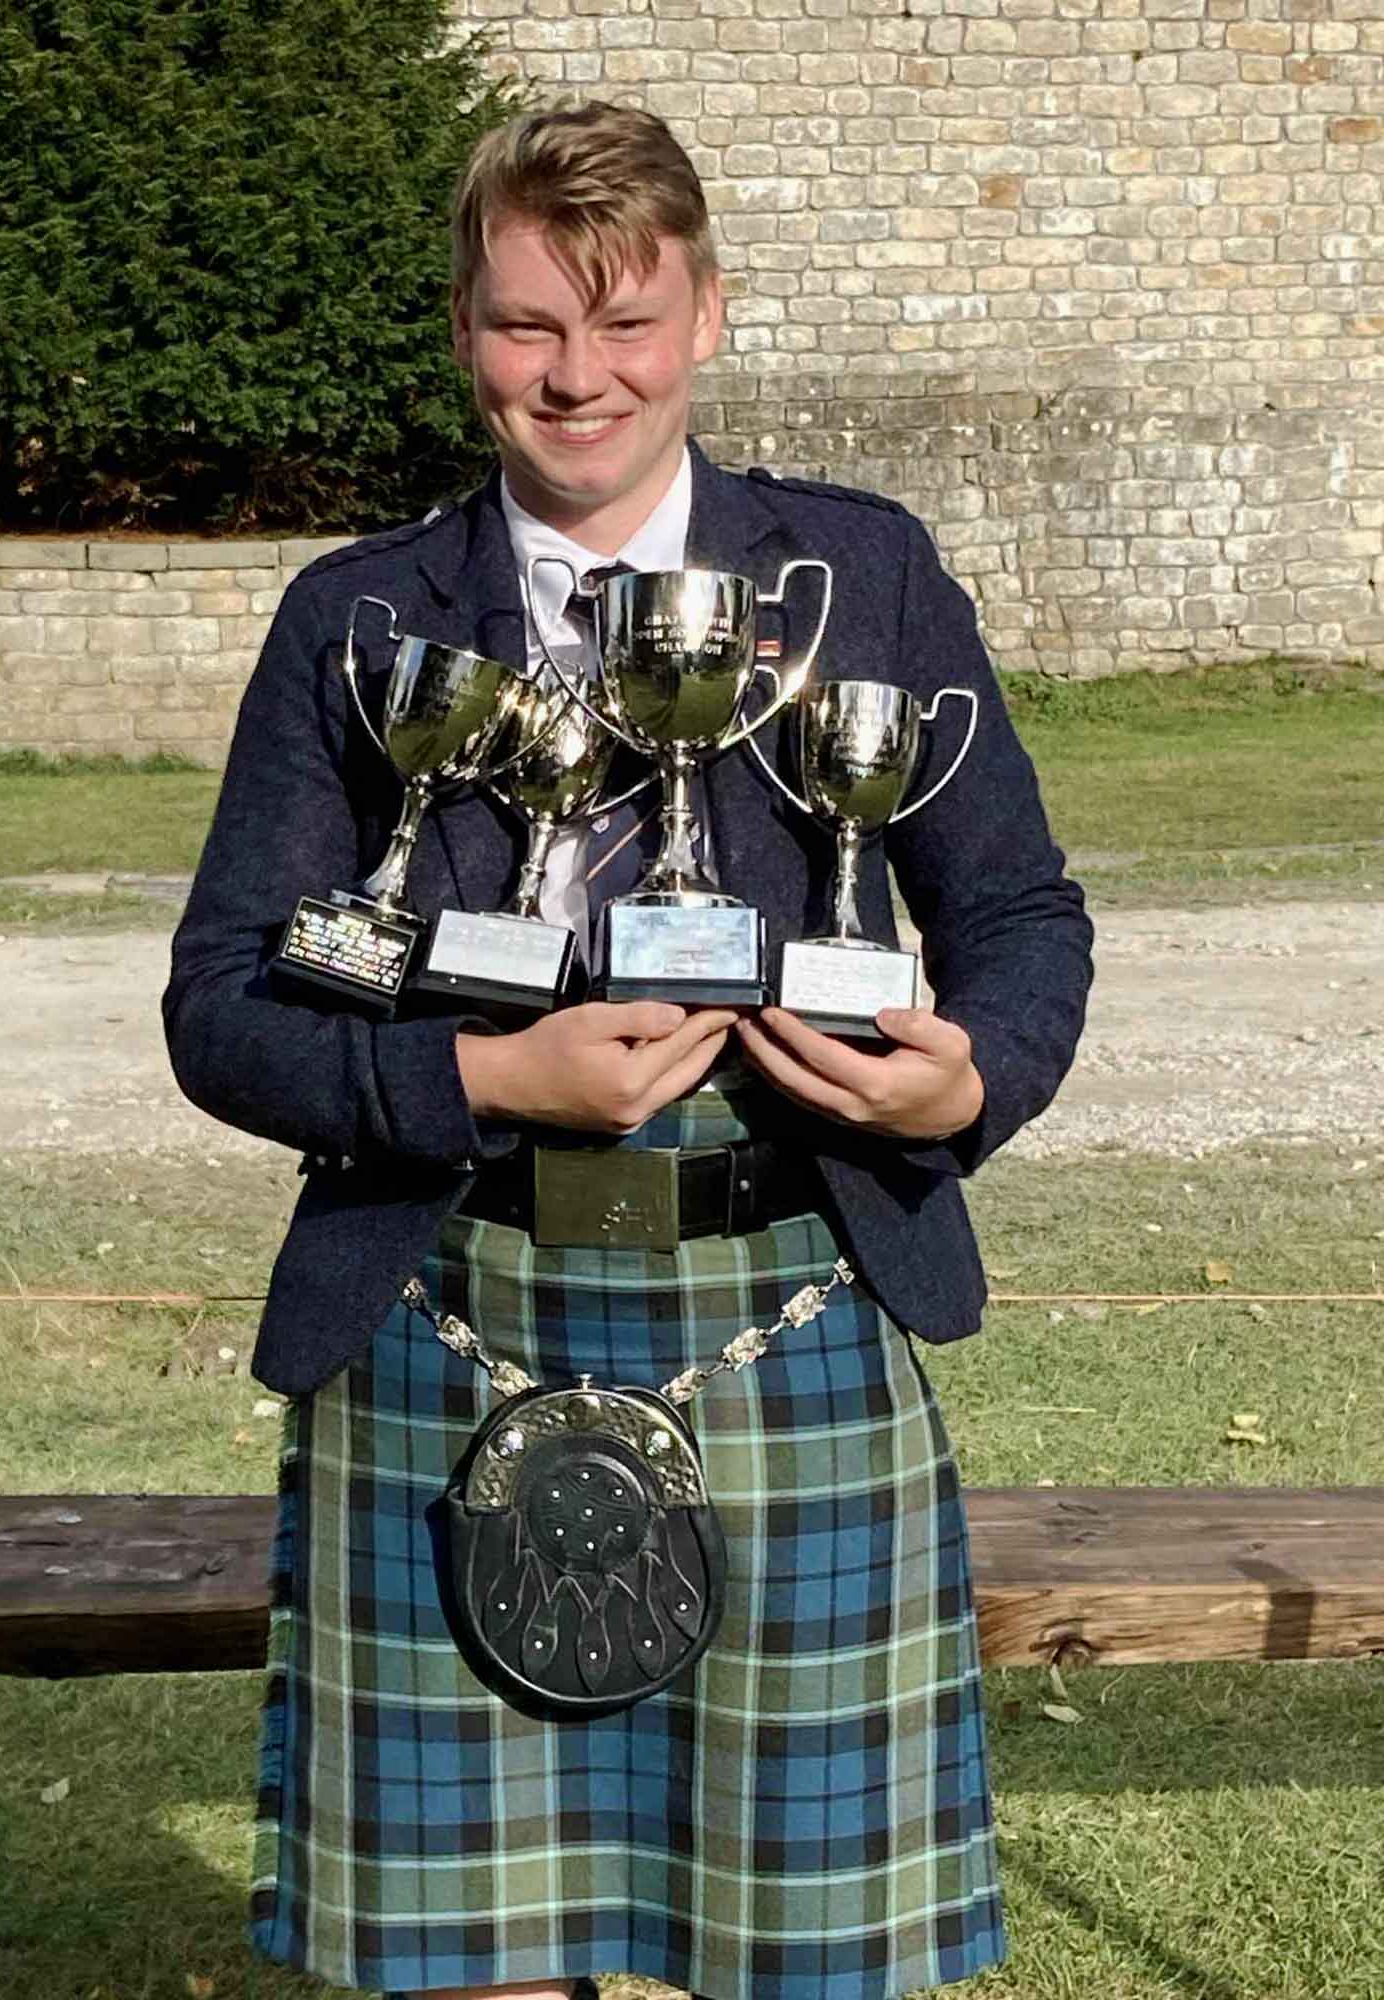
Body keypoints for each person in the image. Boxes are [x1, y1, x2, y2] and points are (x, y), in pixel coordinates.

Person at [164, 99, 1093, 2000]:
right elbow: (221, 1004)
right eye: (525, 327)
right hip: (448, 1297)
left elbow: (1021, 920)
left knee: (802, 1947)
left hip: (793, 1307)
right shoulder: (357, 620)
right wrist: (478, 1080)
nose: (575, 378)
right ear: (463, 331)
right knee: (476, 1953)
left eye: (624, 326)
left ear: (708, 319)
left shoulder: (865, 575)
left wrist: (972, 1076)